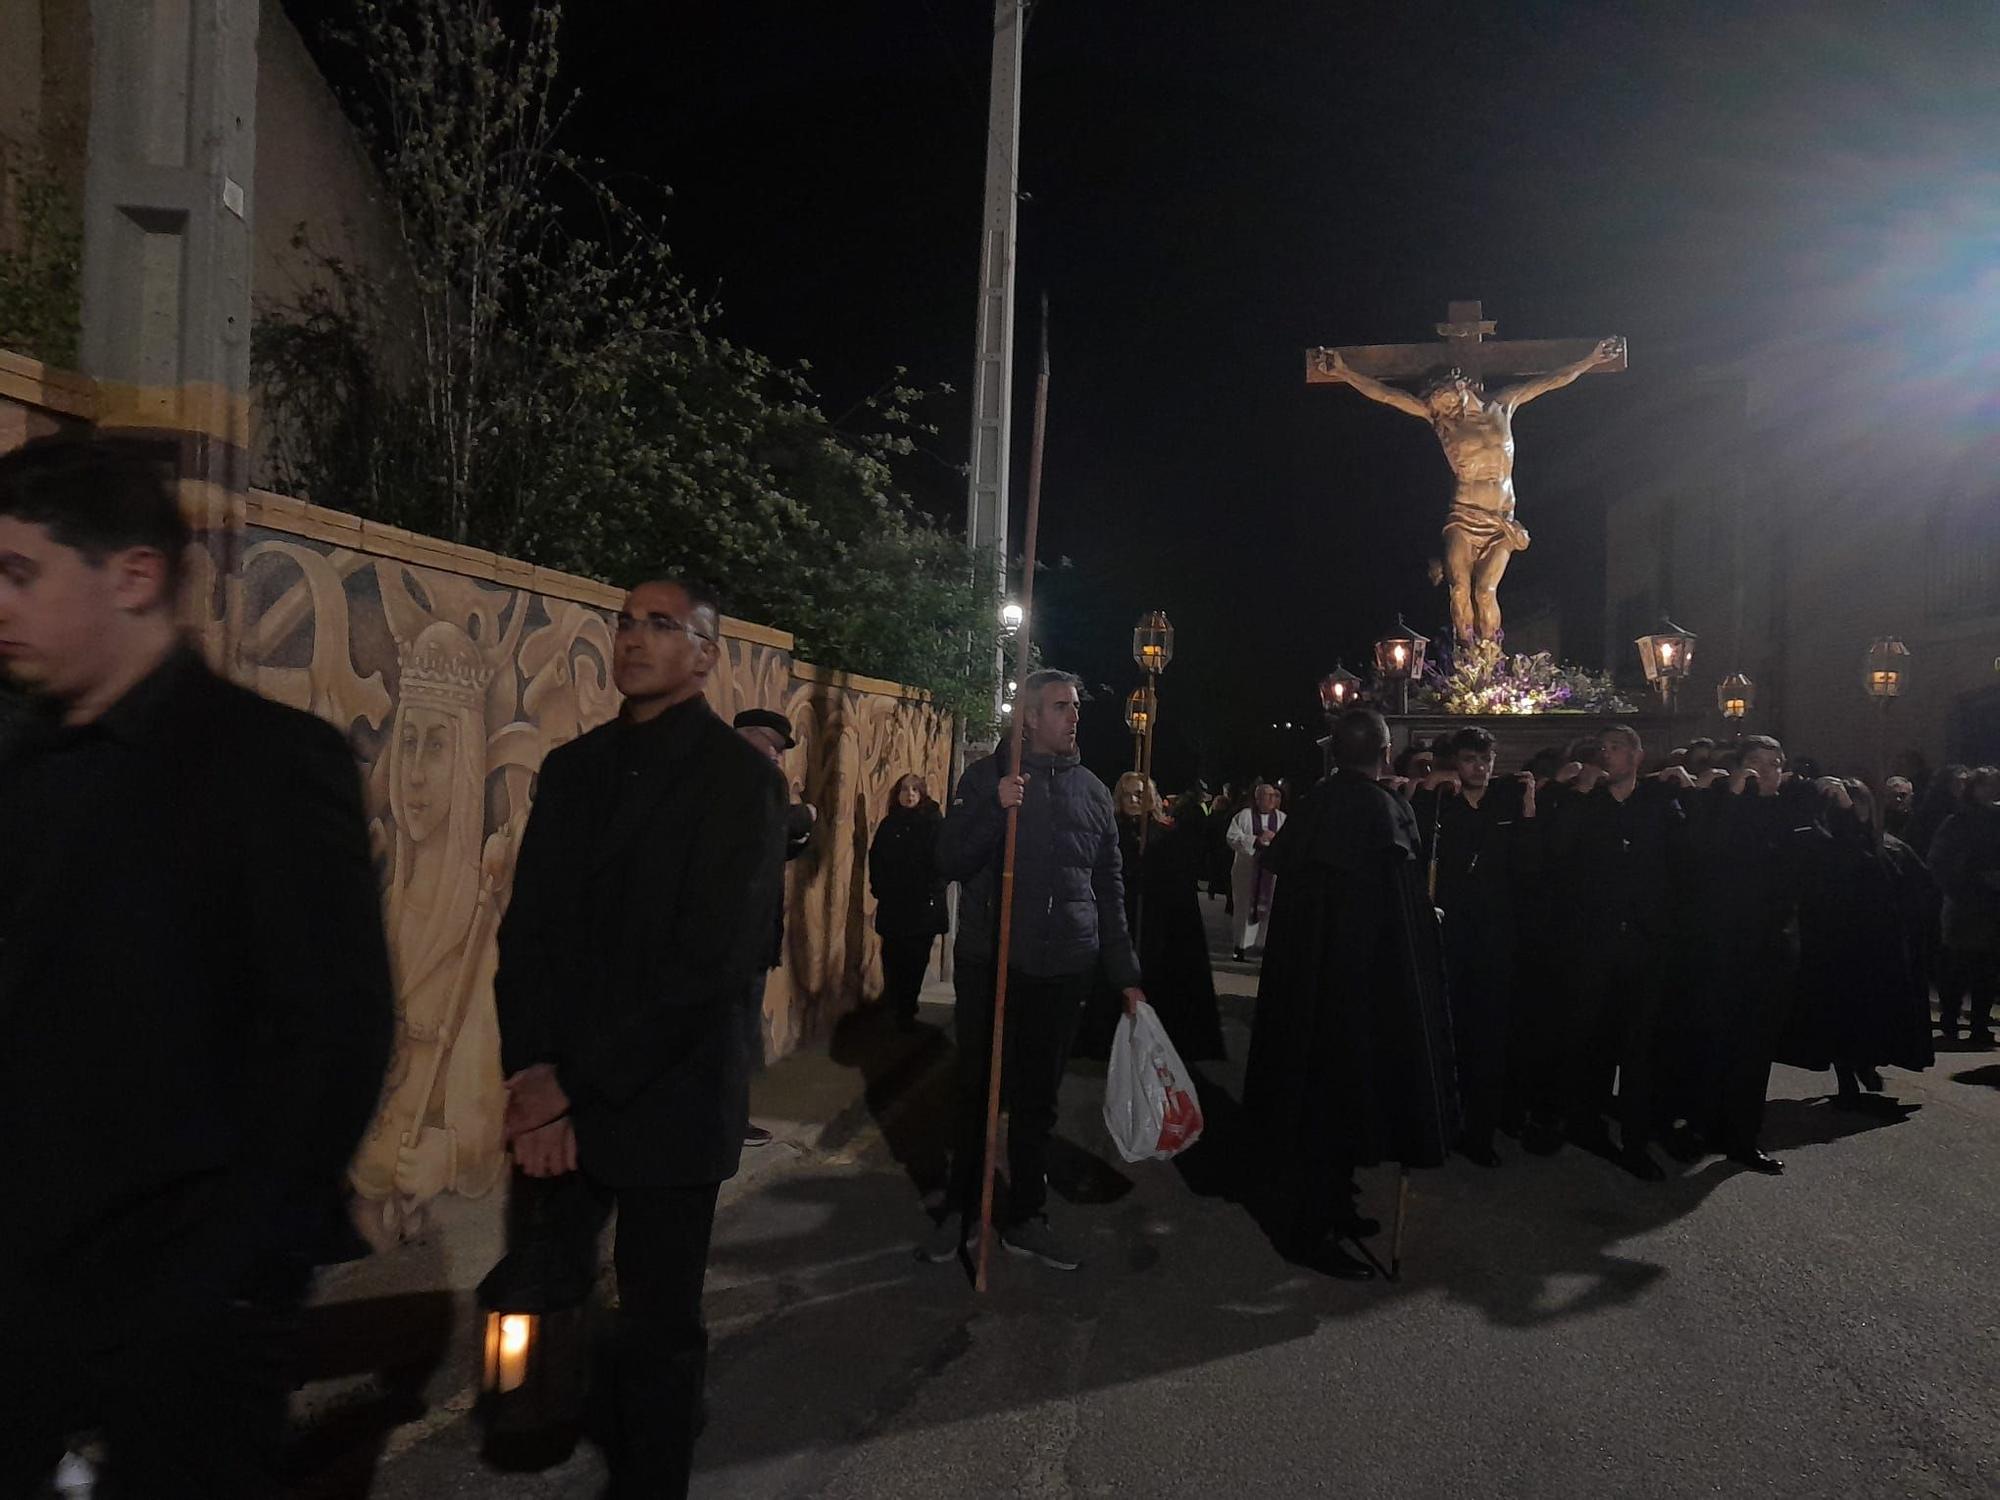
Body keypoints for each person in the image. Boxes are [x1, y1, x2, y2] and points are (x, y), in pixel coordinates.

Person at [0, 434, 394, 1497]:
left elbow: (336, 1033)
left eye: (21, 574)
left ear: (133, 576)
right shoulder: (21, 763)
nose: (2, 606)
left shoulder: (266, 763)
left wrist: (225, 1280)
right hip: (24, 1296)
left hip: (185, 1318)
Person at [495, 577, 788, 1498]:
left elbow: (711, 964)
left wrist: (571, 1083)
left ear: (705, 653)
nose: (633, 639)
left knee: (660, 1325)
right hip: (561, 1099)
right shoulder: (576, 768)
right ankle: (537, 1421)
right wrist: (534, 1074)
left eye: (662, 626)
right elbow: (529, 934)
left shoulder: (741, 784)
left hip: (670, 1098)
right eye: (625, 623)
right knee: (547, 1294)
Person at [924, 669, 1144, 1273]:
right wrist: (996, 810)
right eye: (1060, 707)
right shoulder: (984, 779)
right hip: (991, 963)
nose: (1073, 716)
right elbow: (948, 859)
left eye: (1075, 706)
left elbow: (1108, 889)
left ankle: (1026, 1213)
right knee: (978, 1093)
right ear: (1028, 719)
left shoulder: (1094, 793)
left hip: (1063, 967)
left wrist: (1124, 972)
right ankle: (963, 1209)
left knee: (1037, 1101)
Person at [1243, 709, 1460, 1282]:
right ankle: (1311, 1227)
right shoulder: (1383, 810)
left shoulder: (1314, 805)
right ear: (1385, 751)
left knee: (1327, 1097)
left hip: (1312, 982)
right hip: (1358, 985)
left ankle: (1335, 1203)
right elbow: (1398, 906)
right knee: (1334, 1101)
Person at [1534, 724, 1687, 1180]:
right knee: (1586, 1040)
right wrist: (1578, 795)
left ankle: (1636, 1141)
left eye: (1618, 748)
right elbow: (1558, 851)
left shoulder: (1659, 803)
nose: (1609, 754)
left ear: (1638, 756)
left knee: (1637, 1049)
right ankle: (1580, 1121)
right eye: (1605, 748)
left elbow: (1682, 862)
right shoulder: (1588, 804)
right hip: (1592, 945)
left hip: (1641, 945)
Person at [1672, 735, 1807, 1174]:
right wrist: (1733, 798)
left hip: (1770, 948)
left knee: (1755, 1049)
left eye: (1774, 762)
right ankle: (1698, 1127)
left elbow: (1810, 867)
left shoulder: (1791, 810)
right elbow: (1706, 855)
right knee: (1713, 1040)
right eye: (1756, 763)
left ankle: (1743, 1137)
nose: (1765, 771)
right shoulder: (1719, 805)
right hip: (1722, 946)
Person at [1411, 726, 1540, 1166]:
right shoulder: (1440, 804)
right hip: (1450, 937)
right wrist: (1426, 793)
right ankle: (1441, 1122)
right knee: (1447, 1032)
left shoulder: (1504, 803)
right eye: (1470, 759)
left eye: (1486, 759)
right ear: (1455, 763)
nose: (1480, 767)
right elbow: (1416, 848)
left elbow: (1526, 869)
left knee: (1487, 1037)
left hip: (1493, 940)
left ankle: (1480, 1130)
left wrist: (1527, 812)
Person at [1783, 779, 1936, 1103]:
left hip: (1878, 946)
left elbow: (1917, 887)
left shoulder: (1888, 846)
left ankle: (1865, 1063)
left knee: (1872, 1012)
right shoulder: (1821, 846)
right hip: (1836, 945)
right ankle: (1846, 1076)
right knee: (1840, 1013)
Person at [734, 706, 817, 1144]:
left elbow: (767, 850)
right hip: (735, 939)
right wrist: (802, 819)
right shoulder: (737, 778)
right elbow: (759, 834)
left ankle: (730, 1118)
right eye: (775, 746)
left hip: (752, 934)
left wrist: (796, 838)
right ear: (751, 735)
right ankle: (727, 1123)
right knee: (735, 1036)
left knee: (742, 1035)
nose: (779, 758)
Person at [1115, 772, 1226, 1062]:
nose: (1134, 800)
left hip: (1157, 918)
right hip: (1124, 914)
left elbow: (1176, 880)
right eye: (1128, 795)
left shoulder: (1166, 835)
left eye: (1140, 794)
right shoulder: (1112, 832)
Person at [1927, 767, 2000, 1047]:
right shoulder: (1958, 821)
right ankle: (1950, 1021)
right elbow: (1940, 861)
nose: (1991, 791)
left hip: (1992, 905)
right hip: (1965, 905)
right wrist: (1967, 884)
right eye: (1985, 785)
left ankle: (1980, 1024)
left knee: (1987, 970)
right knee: (1957, 967)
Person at [869, 771, 948, 1029]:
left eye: (914, 790)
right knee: (892, 954)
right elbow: (877, 858)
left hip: (922, 906)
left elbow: (942, 861)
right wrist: (879, 888)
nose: (909, 794)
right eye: (904, 789)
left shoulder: (933, 822)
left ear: (922, 794)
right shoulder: (889, 824)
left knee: (915, 958)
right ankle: (895, 1002)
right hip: (894, 903)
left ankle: (906, 1005)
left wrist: (932, 891)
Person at [1226, 781, 1286, 960]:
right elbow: (1232, 837)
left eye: (1273, 796)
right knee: (1244, 908)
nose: (1271, 799)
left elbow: (1290, 841)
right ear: (1257, 798)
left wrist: (1275, 840)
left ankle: (1264, 945)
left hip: (1271, 872)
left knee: (1270, 907)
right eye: (1267, 795)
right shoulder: (1243, 816)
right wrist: (1256, 841)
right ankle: (1241, 947)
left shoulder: (1282, 819)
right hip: (1247, 870)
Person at [1883, 775, 1916, 841]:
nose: (1898, 799)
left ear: (1911, 797)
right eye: (1893, 795)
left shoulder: (1918, 822)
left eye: (1903, 795)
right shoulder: (1881, 821)